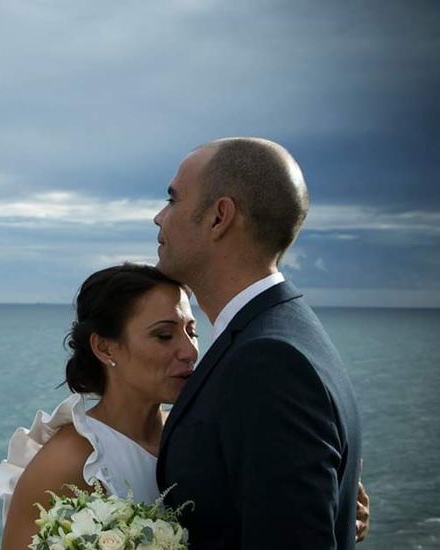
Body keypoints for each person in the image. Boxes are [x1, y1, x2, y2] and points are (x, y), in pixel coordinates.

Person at [153, 137, 362, 549]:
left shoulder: (268, 362)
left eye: (173, 200)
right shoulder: (281, 331)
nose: (158, 218)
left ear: (219, 217)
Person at [0, 263, 199, 550]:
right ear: (105, 348)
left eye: (192, 332)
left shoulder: (196, 435)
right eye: (165, 335)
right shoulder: (65, 463)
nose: (190, 351)